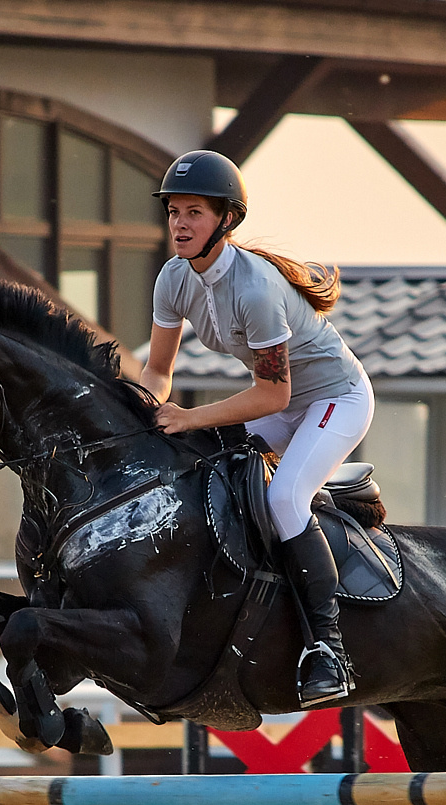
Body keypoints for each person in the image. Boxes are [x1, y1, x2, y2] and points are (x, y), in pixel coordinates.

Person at [139, 149, 371, 706]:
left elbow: (275, 393)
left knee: (286, 499)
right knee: (204, 470)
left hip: (335, 399)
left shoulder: (256, 288)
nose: (179, 224)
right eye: (173, 211)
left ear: (226, 219)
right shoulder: (173, 278)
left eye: (193, 212)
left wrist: (191, 417)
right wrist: (143, 415)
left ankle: (328, 652)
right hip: (287, 404)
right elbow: (158, 371)